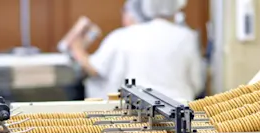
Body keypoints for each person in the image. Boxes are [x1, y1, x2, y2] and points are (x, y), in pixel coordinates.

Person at [70, 0, 204, 102]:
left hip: (139, 113)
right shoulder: (187, 37)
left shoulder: (124, 35)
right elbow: (197, 82)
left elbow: (94, 68)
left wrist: (76, 48)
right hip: (180, 111)